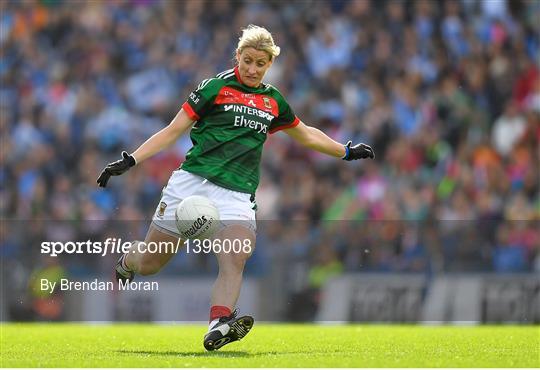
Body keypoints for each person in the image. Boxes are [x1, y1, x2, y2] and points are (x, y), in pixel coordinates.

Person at [97, 25, 374, 351]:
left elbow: (306, 134)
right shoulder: (214, 88)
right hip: (191, 184)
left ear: (270, 64)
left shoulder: (274, 101)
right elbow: (173, 131)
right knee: (150, 264)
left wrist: (344, 150)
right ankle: (128, 261)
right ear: (237, 57)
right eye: (247, 61)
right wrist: (132, 160)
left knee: (236, 256)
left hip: (237, 193)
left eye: (260, 63)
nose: (253, 69)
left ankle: (218, 323)